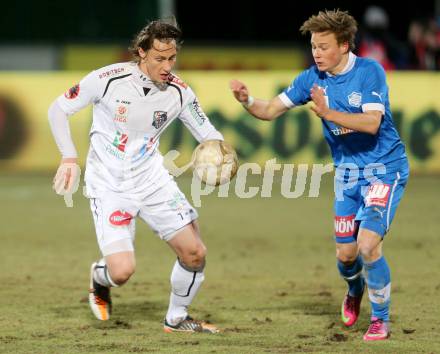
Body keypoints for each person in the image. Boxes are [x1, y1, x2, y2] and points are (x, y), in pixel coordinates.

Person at [230, 9, 409, 341]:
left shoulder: (369, 72)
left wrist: (328, 112)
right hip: (347, 175)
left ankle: (380, 319)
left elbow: (372, 125)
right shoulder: (311, 78)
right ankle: (354, 289)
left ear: (343, 45)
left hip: (384, 169)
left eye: (324, 46)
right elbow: (269, 110)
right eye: (314, 46)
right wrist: (246, 100)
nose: (317, 53)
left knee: (368, 245)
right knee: (346, 255)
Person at [48, 17, 223, 333]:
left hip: (153, 181)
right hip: (110, 186)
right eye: (159, 58)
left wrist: (220, 152)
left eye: (172, 58)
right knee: (122, 271)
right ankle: (99, 278)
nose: (167, 65)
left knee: (195, 253)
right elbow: (58, 109)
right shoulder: (108, 79)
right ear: (141, 52)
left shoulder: (179, 92)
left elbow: (207, 131)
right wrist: (69, 156)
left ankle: (176, 319)